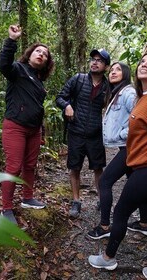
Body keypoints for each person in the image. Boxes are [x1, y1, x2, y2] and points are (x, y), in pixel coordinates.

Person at [88, 52, 147, 280]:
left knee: (121, 212)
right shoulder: (144, 97)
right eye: (142, 62)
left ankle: (108, 258)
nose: (144, 65)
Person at [0, 24, 55, 224]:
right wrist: (11, 40)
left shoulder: (39, 82)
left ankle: (27, 198)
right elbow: (3, 65)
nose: (41, 54)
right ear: (30, 54)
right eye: (38, 51)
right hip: (15, 126)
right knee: (13, 167)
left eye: (45, 54)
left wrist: (42, 131)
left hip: (34, 130)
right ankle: (6, 208)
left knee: (30, 165)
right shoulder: (18, 70)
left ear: (47, 63)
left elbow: (38, 108)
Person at [87, 62, 147, 239]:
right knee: (134, 182)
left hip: (131, 147)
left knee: (105, 181)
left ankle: (105, 226)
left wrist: (124, 134)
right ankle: (145, 222)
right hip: (128, 146)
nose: (114, 72)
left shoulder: (128, 93)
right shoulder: (116, 93)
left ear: (126, 73)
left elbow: (140, 119)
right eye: (112, 69)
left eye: (118, 69)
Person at [56, 49, 111, 218]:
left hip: (96, 135)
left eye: (99, 61)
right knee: (74, 167)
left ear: (106, 67)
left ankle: (102, 200)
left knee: (98, 168)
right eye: (93, 59)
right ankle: (76, 201)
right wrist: (67, 106)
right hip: (76, 132)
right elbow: (59, 97)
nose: (94, 62)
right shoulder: (78, 79)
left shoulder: (108, 87)